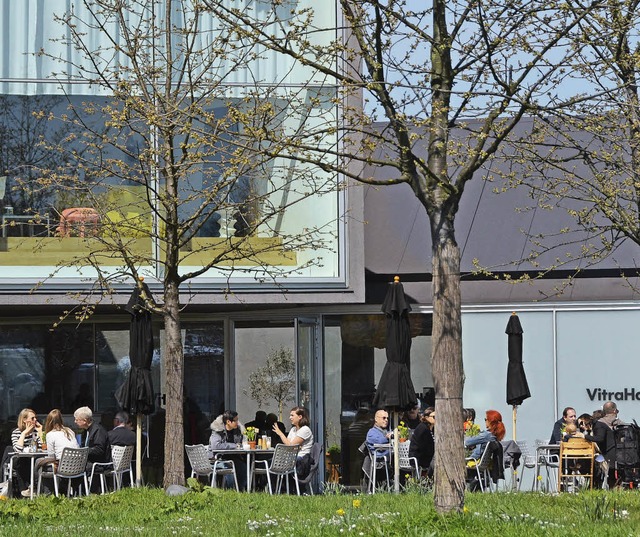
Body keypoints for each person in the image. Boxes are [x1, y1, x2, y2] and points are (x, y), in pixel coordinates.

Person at [36, 409, 79, 496]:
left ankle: (40, 490)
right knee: (46, 463)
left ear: (48, 421)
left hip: (62, 466)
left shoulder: (50, 435)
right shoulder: (70, 431)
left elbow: (51, 456)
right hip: (77, 466)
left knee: (38, 462)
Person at [585, 401, 623, 488]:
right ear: (614, 411)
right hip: (615, 454)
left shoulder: (599, 423)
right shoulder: (620, 424)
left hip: (602, 454)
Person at [272, 406, 314, 480]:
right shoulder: (293, 429)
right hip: (292, 458)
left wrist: (280, 433)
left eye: (292, 415)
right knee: (271, 461)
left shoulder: (305, 430)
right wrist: (293, 446)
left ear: (300, 417)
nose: (290, 417)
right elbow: (288, 445)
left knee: (273, 462)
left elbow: (290, 446)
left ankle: (279, 487)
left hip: (301, 460)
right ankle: (275, 488)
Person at [207, 410, 246, 490]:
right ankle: (230, 490)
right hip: (218, 459)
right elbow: (216, 446)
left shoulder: (238, 430)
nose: (237, 422)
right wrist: (234, 446)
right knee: (229, 467)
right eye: (235, 420)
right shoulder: (218, 430)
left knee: (243, 466)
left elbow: (242, 442)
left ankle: (240, 489)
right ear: (228, 421)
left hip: (234, 457)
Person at [9, 408, 42, 498]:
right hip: (21, 459)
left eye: (35, 418)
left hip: (34, 458)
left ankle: (33, 489)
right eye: (32, 418)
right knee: (23, 461)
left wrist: (40, 432)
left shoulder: (36, 432)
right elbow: (18, 450)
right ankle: (25, 491)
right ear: (24, 420)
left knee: (37, 461)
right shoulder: (16, 432)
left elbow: (43, 447)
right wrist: (24, 434)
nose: (35, 420)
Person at [74, 406, 110, 476]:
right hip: (89, 461)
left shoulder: (98, 430)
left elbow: (99, 449)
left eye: (77, 419)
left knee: (76, 468)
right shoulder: (86, 430)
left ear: (85, 421)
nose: (75, 422)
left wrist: (84, 452)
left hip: (99, 463)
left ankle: (80, 486)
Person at [409, 407, 435, 476]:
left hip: (422, 457)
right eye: (434, 417)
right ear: (426, 417)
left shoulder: (430, 428)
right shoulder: (423, 429)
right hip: (418, 459)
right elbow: (426, 448)